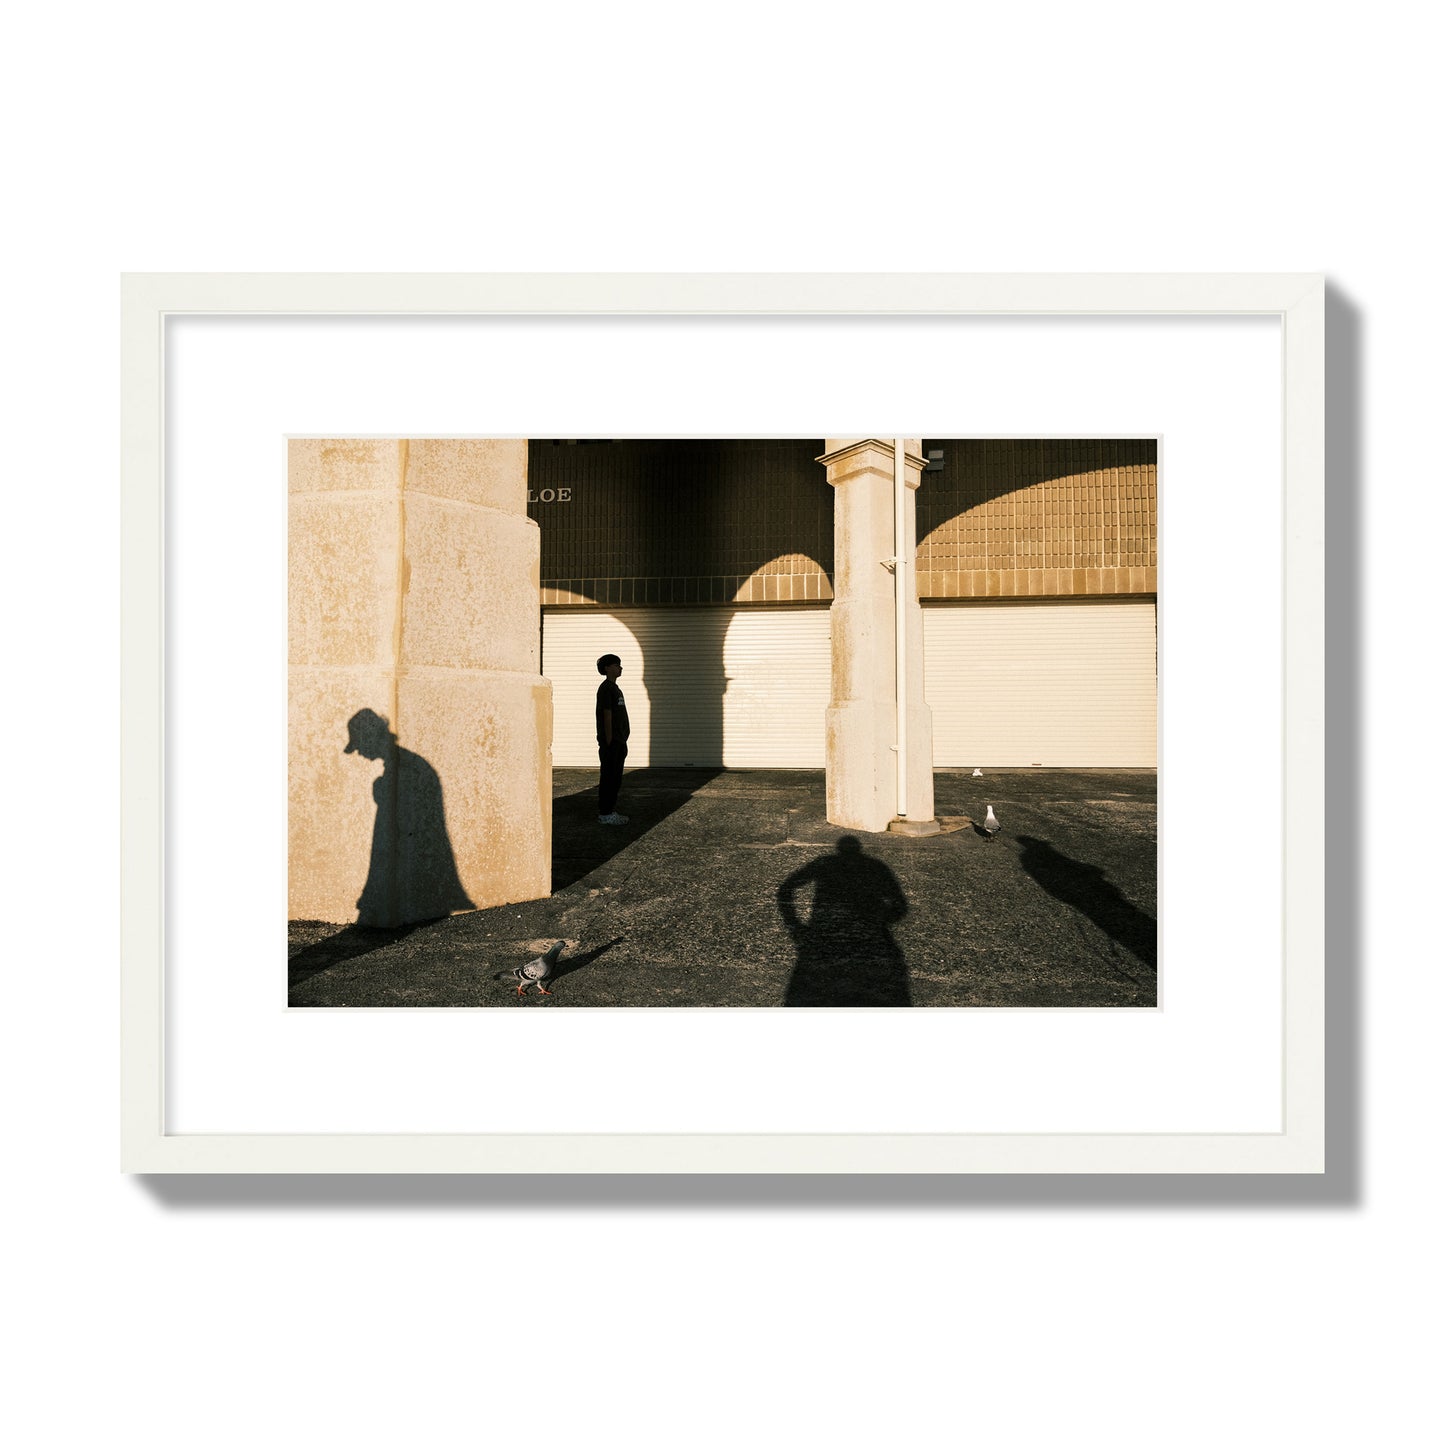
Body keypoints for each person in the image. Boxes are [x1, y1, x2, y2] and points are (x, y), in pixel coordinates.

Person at [595, 653, 630, 824]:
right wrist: (609, 741)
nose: (620, 667)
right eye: (616, 665)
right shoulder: (606, 688)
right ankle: (606, 814)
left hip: (619, 741)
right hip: (612, 743)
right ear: (607, 668)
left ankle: (610, 811)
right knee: (609, 777)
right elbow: (606, 715)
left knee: (615, 778)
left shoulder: (614, 688)